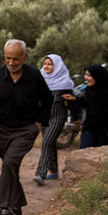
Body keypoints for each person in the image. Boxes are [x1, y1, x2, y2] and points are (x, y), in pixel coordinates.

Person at [0, 40, 51, 215]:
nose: (11, 63)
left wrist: (40, 122)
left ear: (25, 57)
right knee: (10, 166)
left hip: (25, 130)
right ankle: (16, 207)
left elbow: (47, 100)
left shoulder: (34, 76)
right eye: (8, 58)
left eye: (15, 59)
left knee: (9, 162)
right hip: (1, 129)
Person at [33, 54, 72, 184]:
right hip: (44, 116)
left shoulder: (65, 81)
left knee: (46, 142)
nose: (47, 67)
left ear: (57, 66)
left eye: (50, 64)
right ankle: (53, 171)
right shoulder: (40, 79)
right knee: (51, 142)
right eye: (45, 64)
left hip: (58, 115)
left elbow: (72, 102)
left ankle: (40, 174)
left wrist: (76, 117)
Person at [63, 64, 108, 148]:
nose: (86, 78)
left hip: (107, 130)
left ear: (98, 77)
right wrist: (74, 99)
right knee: (83, 151)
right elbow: (87, 101)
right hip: (90, 127)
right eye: (85, 75)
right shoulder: (90, 90)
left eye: (89, 75)